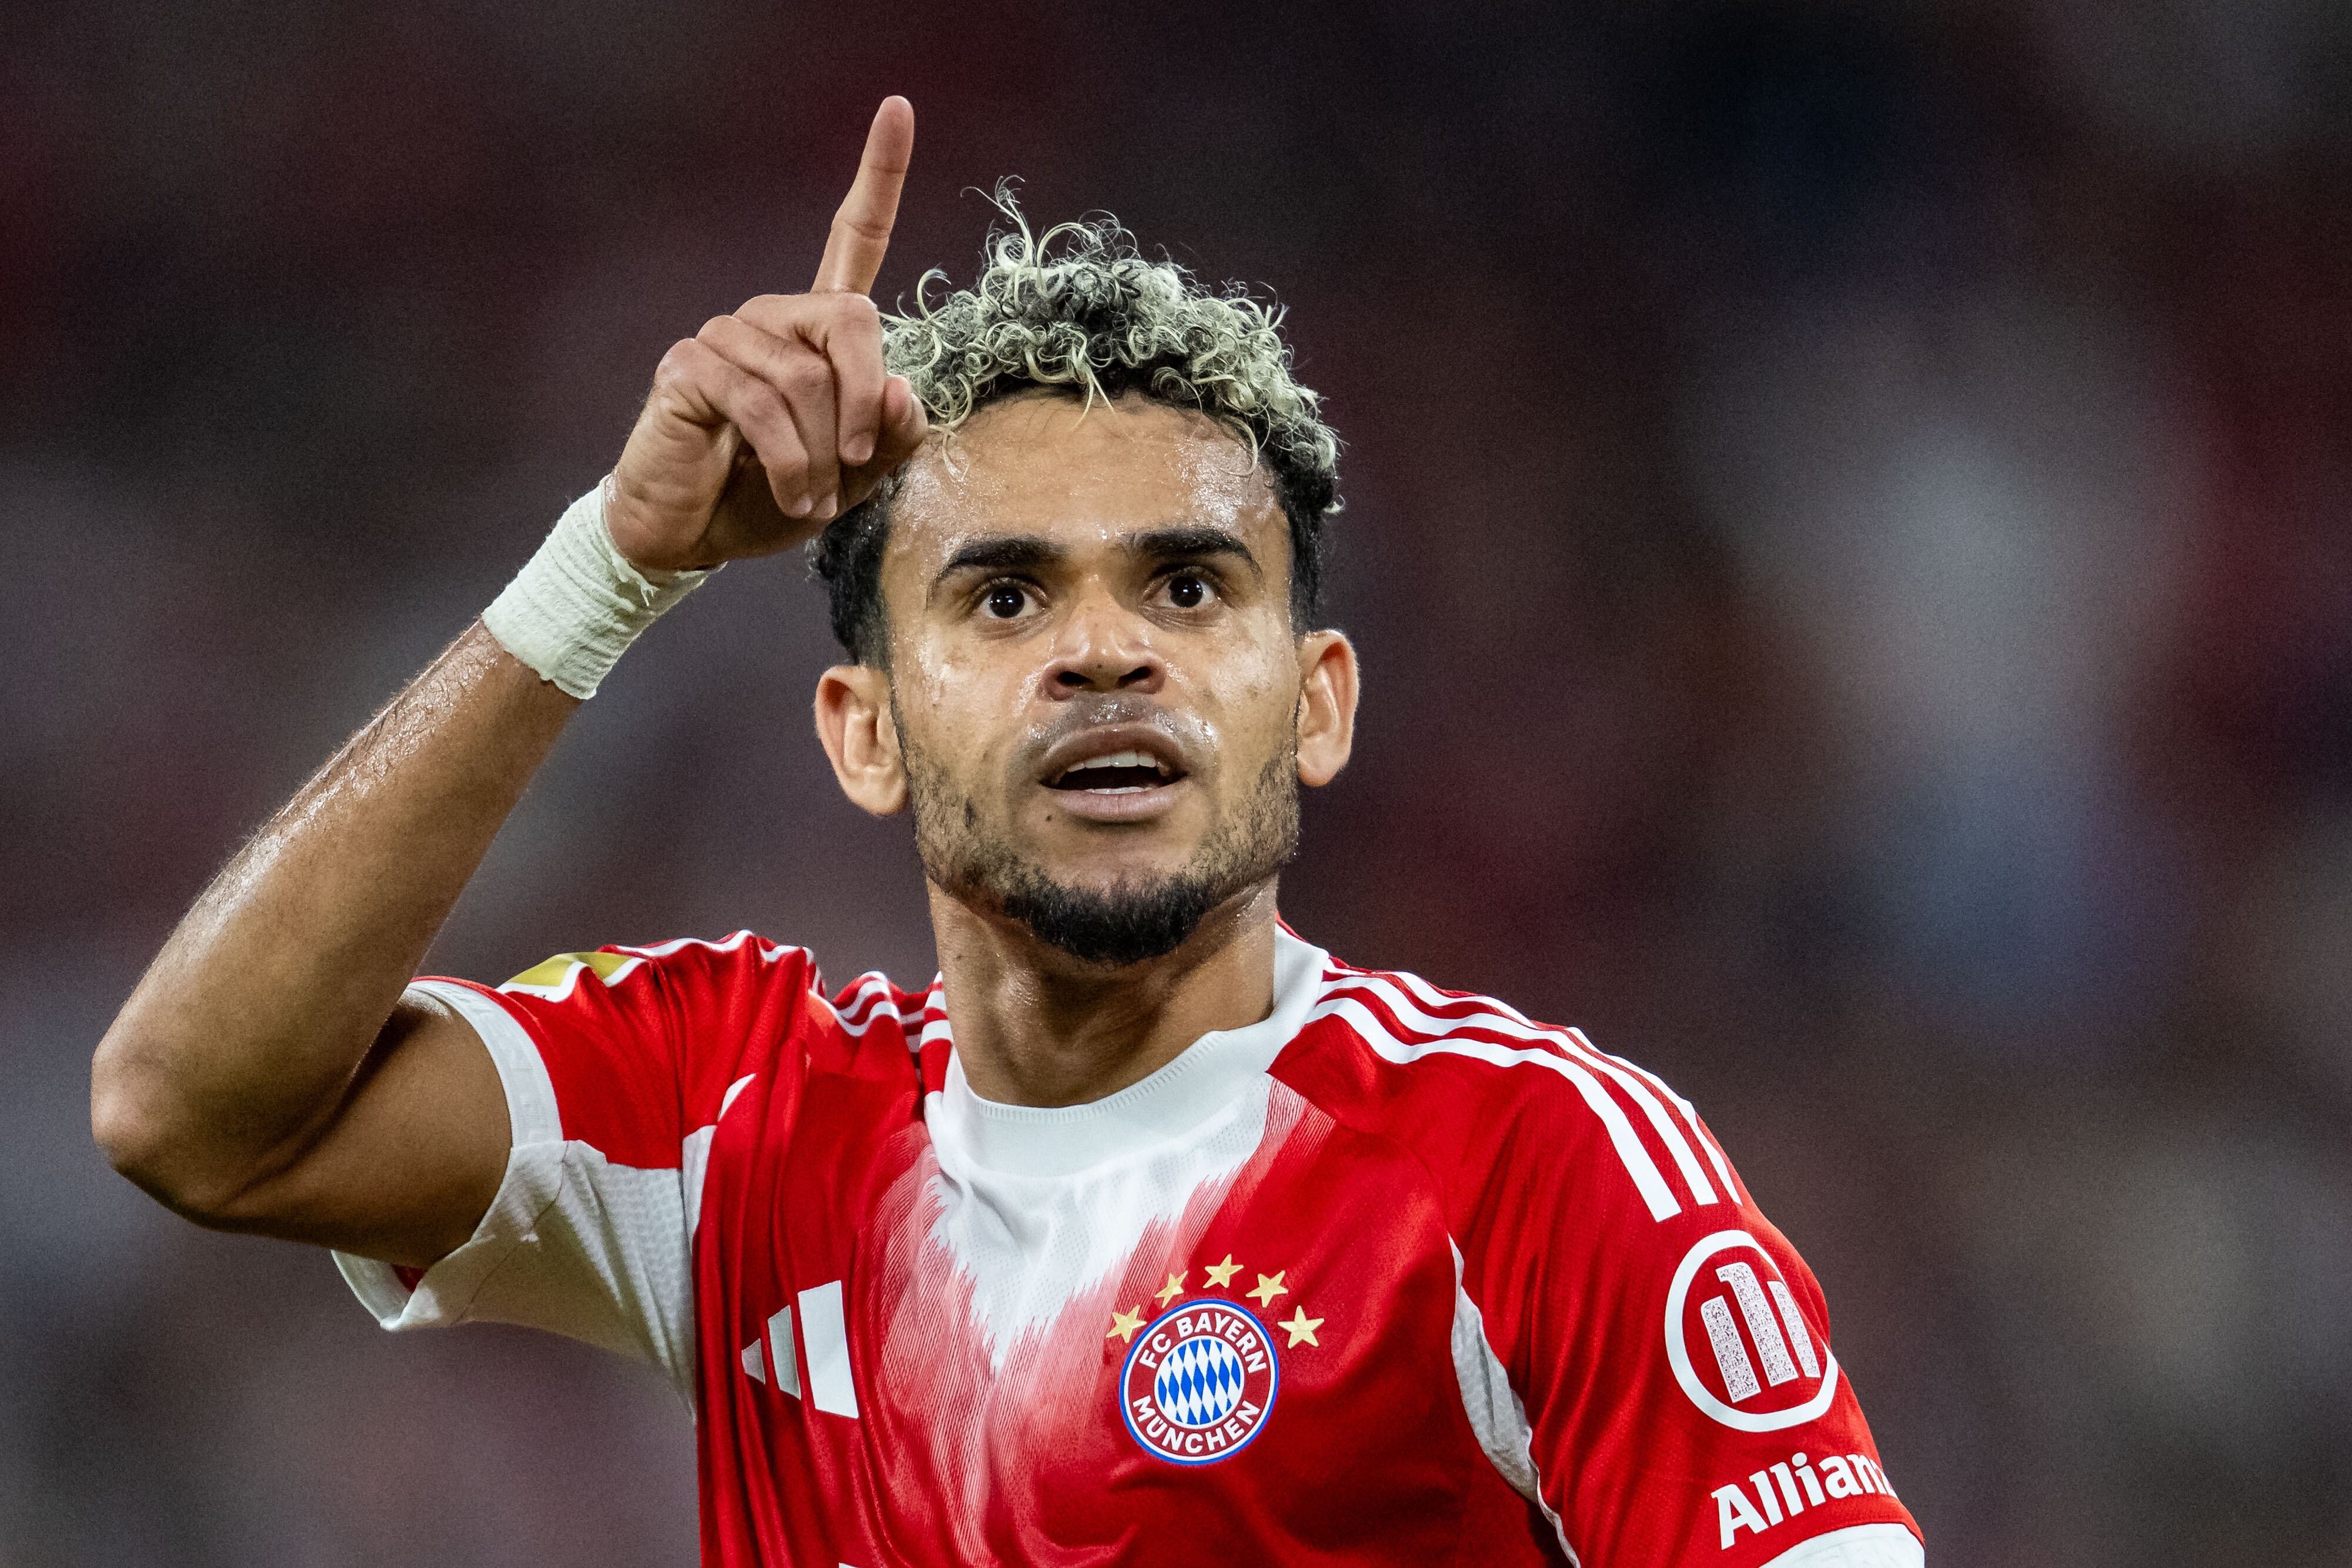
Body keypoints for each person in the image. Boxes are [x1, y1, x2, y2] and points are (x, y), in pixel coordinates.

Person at [90, 97, 1924, 1568]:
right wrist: (610, 574)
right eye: (1004, 595)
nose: (1108, 647)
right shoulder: (741, 1120)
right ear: (865, 730)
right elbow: (191, 1112)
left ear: (1320, 701)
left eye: (1193, 584)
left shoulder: (1528, 1163)